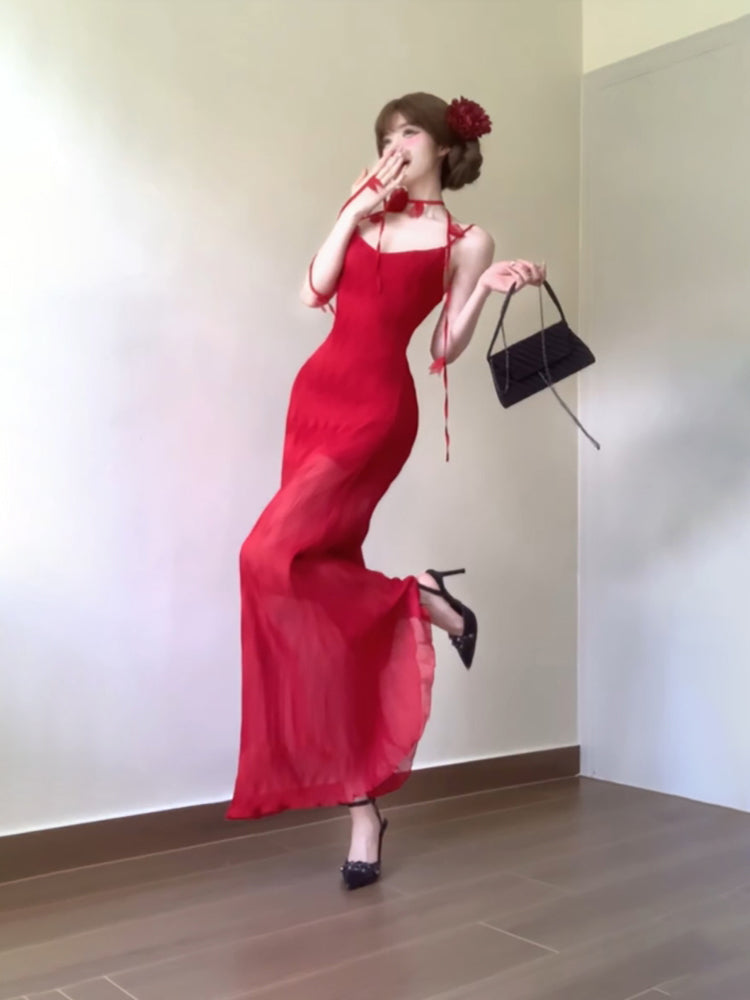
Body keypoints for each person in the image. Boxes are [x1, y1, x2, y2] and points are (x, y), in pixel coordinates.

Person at [227, 92, 545, 889]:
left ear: (443, 145)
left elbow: (441, 347)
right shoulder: (368, 207)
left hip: (376, 410)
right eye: (385, 135)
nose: (394, 145)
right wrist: (355, 210)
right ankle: (363, 808)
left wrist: (484, 287)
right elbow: (314, 291)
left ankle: (418, 600)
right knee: (304, 581)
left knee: (264, 555)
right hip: (315, 399)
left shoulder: (466, 239)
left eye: (408, 133)